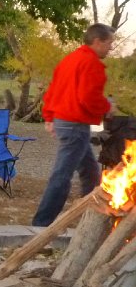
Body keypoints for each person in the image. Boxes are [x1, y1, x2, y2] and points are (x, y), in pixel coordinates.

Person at [31, 23, 116, 227]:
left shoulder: (70, 59)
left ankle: (92, 220)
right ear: (97, 41)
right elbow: (89, 97)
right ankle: (40, 225)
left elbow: (53, 90)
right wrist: (107, 107)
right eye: (109, 43)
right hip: (75, 125)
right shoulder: (91, 63)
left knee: (91, 173)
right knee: (62, 176)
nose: (111, 48)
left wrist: (50, 117)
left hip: (68, 122)